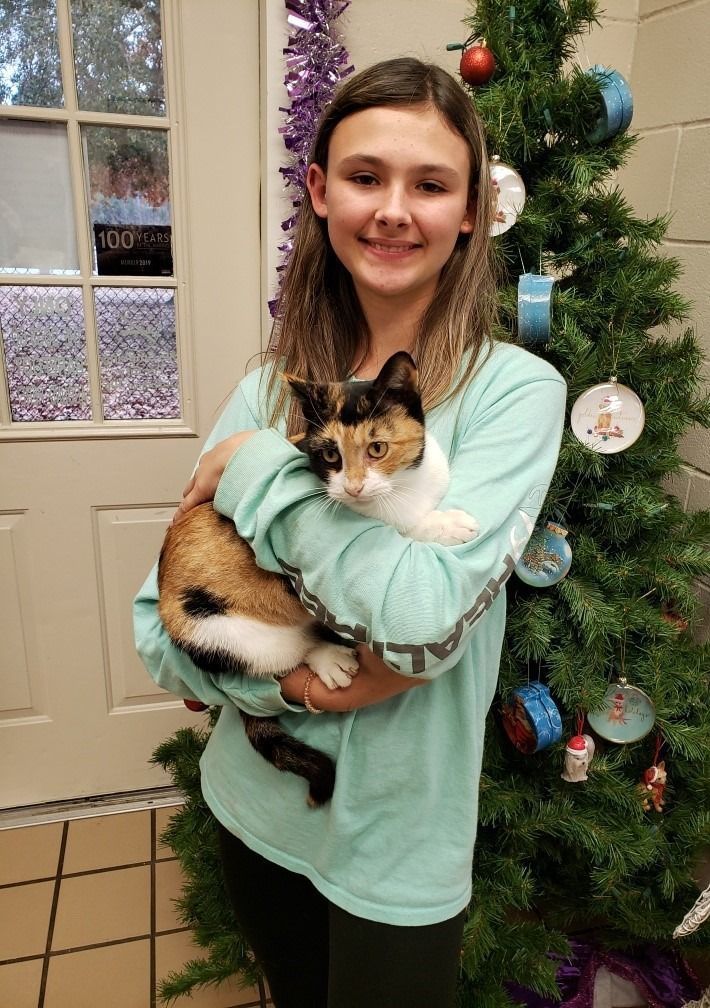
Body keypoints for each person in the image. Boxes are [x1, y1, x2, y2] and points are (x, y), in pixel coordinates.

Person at [134, 57, 566, 1008]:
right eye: (366, 177)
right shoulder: (273, 381)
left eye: (431, 184)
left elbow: (416, 619)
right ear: (322, 196)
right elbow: (154, 625)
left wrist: (257, 469)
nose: (394, 210)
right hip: (251, 803)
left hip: (396, 844)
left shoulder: (516, 397)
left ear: (471, 214)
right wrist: (295, 687)